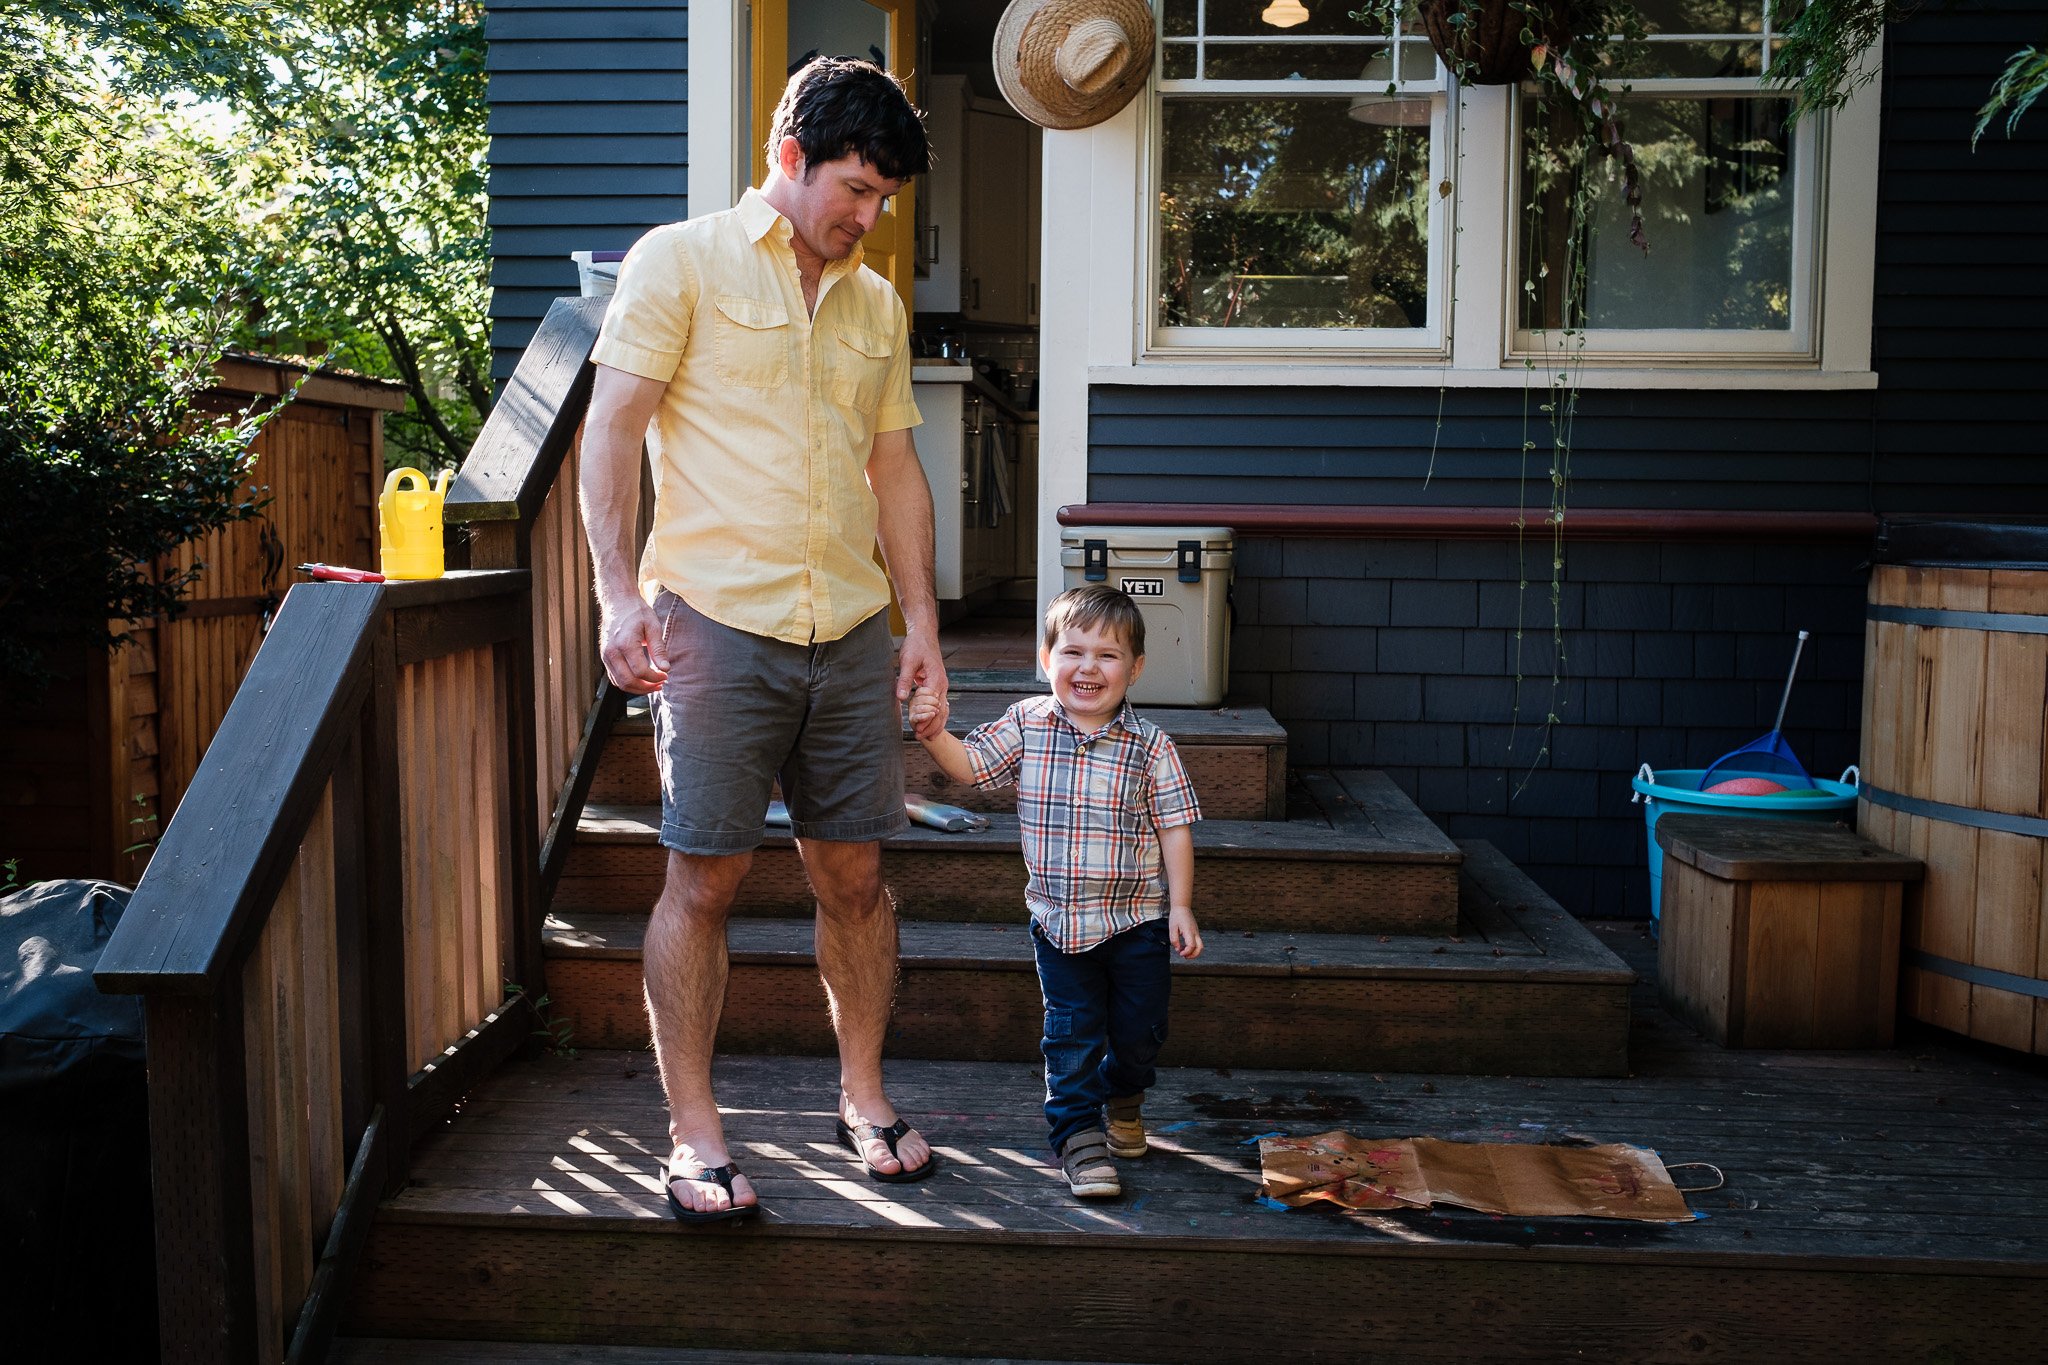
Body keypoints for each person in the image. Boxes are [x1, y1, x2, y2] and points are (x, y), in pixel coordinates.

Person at [578, 56, 944, 1224]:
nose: (868, 216)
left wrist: (921, 622)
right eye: (854, 188)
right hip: (715, 625)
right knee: (704, 878)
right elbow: (612, 430)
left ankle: (864, 1095)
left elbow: (893, 469)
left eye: (884, 197)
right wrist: (615, 596)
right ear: (788, 160)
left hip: (846, 630)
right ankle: (694, 1134)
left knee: (856, 876)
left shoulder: (875, 303)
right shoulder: (676, 262)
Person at [908, 584, 1202, 1199]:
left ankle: (1124, 1095)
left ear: (1136, 668)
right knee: (1070, 1033)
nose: (1088, 668)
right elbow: (973, 766)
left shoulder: (1152, 749)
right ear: (1046, 659)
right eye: (1073, 652)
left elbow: (1175, 830)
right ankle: (1077, 1136)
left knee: (1139, 1031)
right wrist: (937, 733)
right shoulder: (1027, 724)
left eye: (1107, 655)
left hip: (1137, 921)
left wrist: (1179, 905)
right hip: (1060, 924)